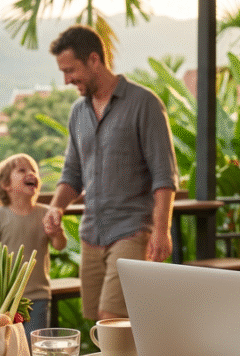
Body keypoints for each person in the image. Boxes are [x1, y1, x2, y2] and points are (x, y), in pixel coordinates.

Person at [42, 25, 179, 322]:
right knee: (98, 321)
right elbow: (72, 173)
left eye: (71, 70)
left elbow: (163, 175)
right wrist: (56, 208)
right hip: (92, 233)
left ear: (94, 60)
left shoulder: (144, 104)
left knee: (112, 318)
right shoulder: (79, 113)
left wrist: (162, 229)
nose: (66, 80)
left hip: (132, 230)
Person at [0, 153, 67, 337]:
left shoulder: (46, 213)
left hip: (39, 295)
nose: (31, 173)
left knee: (36, 344)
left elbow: (59, 245)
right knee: (10, 345)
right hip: (8, 298)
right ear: (6, 185)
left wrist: (57, 232)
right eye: (22, 170)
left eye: (33, 170)